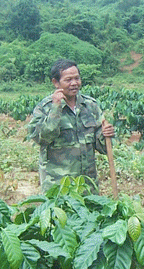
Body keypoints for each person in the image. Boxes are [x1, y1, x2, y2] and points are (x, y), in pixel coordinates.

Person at [28, 59, 115, 194]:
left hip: (87, 186)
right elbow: (42, 138)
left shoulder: (90, 106)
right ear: (56, 83)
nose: (74, 83)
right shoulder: (45, 108)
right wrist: (56, 109)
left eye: (77, 78)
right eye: (68, 80)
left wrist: (106, 134)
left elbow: (103, 147)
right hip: (58, 186)